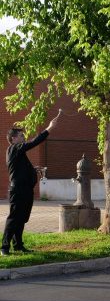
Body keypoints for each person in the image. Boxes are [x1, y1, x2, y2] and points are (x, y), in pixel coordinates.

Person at [1, 109, 62, 255]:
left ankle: (18, 245)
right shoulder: (14, 149)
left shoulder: (18, 153)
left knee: (22, 218)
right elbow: (34, 142)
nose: (23, 138)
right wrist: (49, 128)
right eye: (21, 136)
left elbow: (20, 169)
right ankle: (4, 247)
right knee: (14, 218)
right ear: (14, 139)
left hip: (25, 189)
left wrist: (33, 169)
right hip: (18, 190)